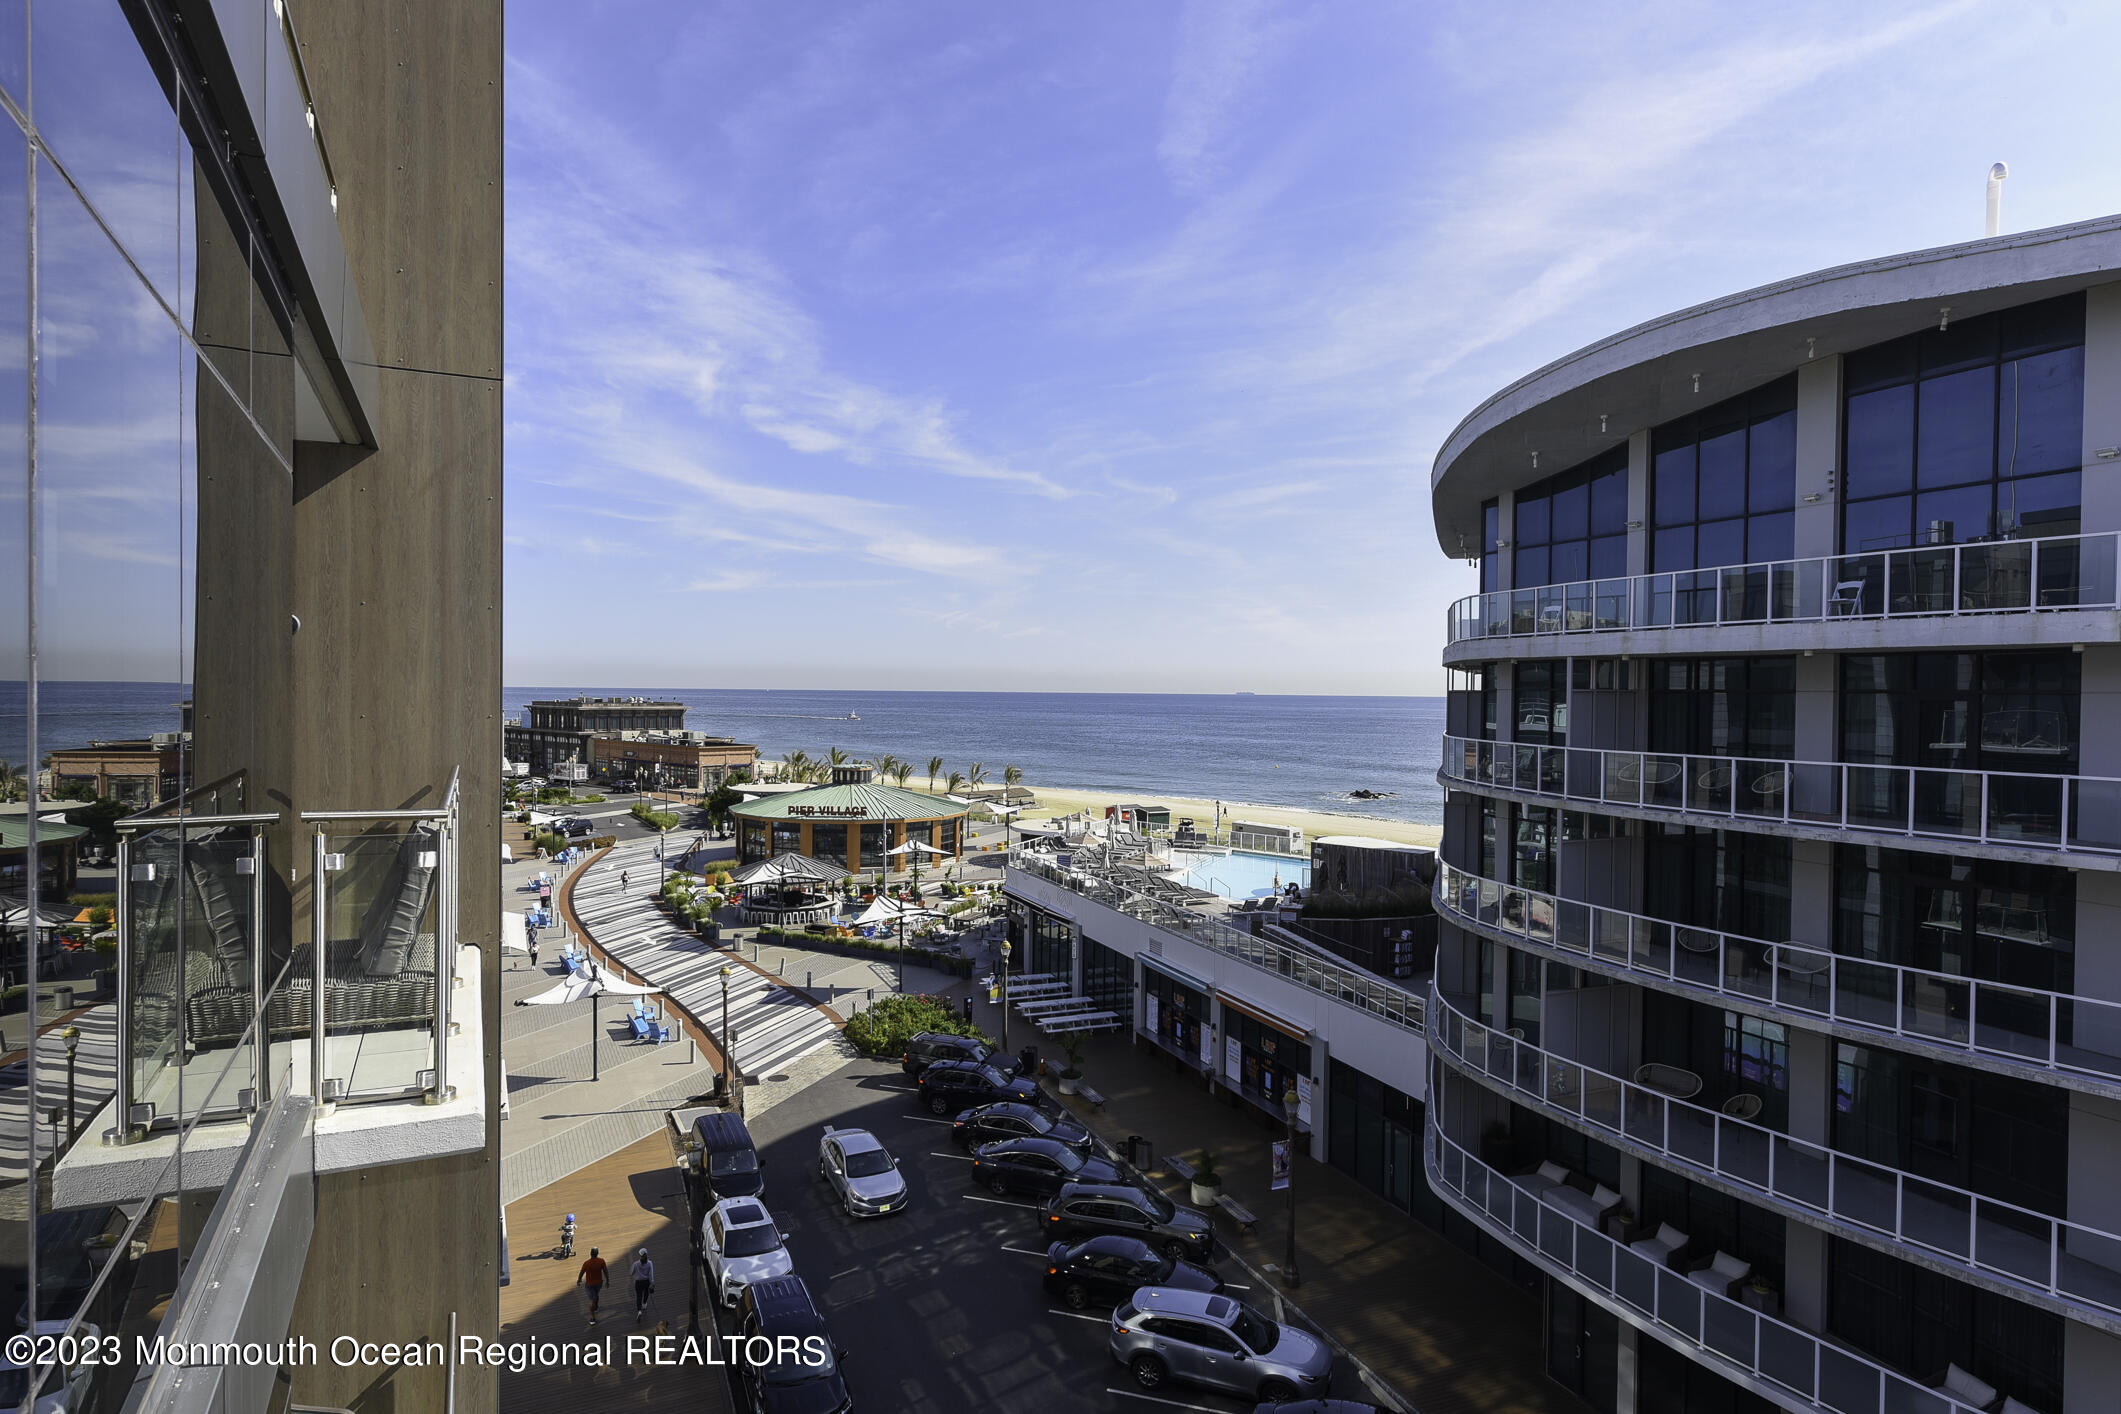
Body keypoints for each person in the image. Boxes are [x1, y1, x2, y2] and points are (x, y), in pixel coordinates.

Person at [577, 1247, 608, 1324]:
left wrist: (579, 1280)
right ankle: (596, 1306)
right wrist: (607, 1280)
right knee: (596, 1295)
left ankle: (592, 1318)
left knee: (591, 1300)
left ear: (590, 1254)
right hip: (599, 1283)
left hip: (589, 1284)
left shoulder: (587, 1263)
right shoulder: (601, 1261)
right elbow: (605, 1271)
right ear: (597, 1253)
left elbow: (582, 1272)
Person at [631, 1247, 655, 1320]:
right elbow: (651, 1274)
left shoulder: (636, 1264)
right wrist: (652, 1283)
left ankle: (639, 1311)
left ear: (640, 1255)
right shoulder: (650, 1263)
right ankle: (644, 1304)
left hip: (638, 1282)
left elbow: (631, 1272)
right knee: (646, 1293)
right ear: (646, 1254)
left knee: (639, 1296)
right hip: (646, 1281)